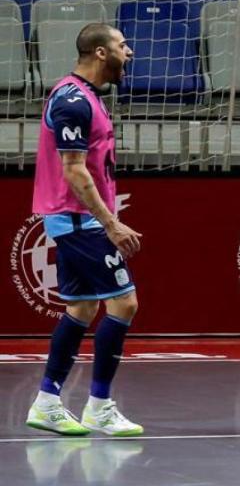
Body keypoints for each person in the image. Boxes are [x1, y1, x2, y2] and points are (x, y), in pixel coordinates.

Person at [26, 22, 144, 437]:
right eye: (121, 45)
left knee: (81, 308)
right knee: (124, 303)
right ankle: (100, 406)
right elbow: (74, 172)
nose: (128, 52)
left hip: (75, 217)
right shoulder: (73, 101)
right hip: (78, 219)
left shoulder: (88, 97)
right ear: (99, 52)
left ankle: (47, 402)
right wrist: (110, 223)